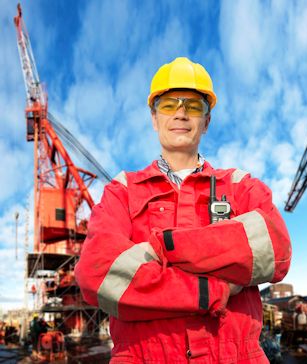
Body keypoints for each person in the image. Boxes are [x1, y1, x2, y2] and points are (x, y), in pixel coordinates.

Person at [75, 57, 292, 363]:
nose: (180, 113)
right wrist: (215, 287)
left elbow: (276, 248)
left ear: (207, 121)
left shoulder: (239, 185)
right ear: (154, 118)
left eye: (193, 106)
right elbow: (97, 274)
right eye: (168, 104)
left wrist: (161, 248)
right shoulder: (122, 191)